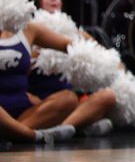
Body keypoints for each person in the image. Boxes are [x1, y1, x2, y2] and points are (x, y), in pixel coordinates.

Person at [26, 0, 117, 137]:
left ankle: (63, 129)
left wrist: (119, 67)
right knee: (67, 99)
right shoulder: (30, 31)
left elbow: (106, 57)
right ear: (36, 1)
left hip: (72, 102)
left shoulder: (76, 33)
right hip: (43, 104)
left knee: (108, 96)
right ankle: (80, 126)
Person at [0, 10, 99, 145]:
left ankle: (10, 133)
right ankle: (34, 136)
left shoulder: (29, 28)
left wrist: (100, 54)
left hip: (24, 110)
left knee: (68, 98)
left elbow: (69, 45)